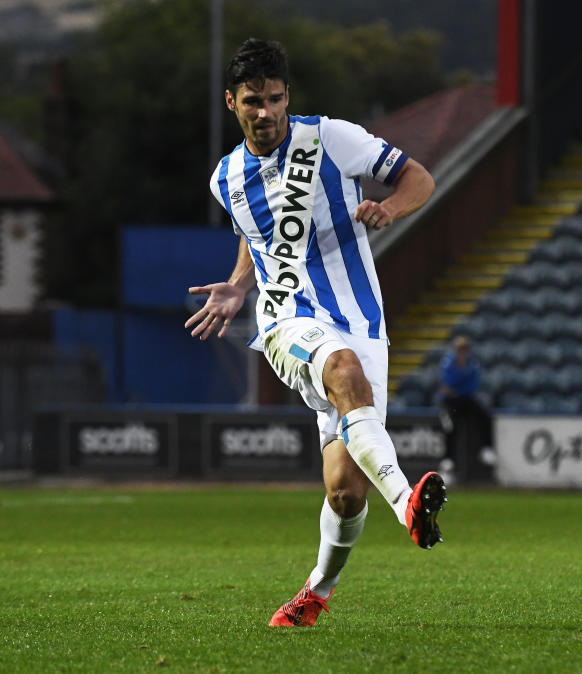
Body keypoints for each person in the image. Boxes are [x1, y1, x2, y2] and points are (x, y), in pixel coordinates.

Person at [185, 38, 444, 628]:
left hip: (362, 320)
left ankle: (315, 593)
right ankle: (409, 503)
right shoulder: (225, 178)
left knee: (346, 492)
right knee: (343, 370)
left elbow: (419, 179)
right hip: (285, 321)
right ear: (232, 102)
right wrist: (239, 286)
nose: (266, 112)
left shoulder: (332, 138)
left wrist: (391, 210)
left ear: (287, 98)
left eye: (275, 99)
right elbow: (258, 238)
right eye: (253, 101)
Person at [438, 336, 494, 479]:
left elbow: (472, 385)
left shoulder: (472, 364)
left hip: (465, 398)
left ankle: (487, 448)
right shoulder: (448, 363)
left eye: (464, 350)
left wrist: (457, 386)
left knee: (485, 416)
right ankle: (448, 460)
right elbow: (447, 384)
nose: (462, 353)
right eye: (459, 350)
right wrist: (461, 380)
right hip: (450, 402)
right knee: (450, 426)